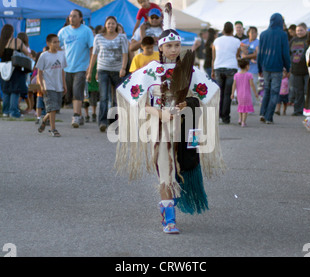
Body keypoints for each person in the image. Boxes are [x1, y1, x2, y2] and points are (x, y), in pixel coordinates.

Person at [114, 3, 223, 234]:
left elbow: (209, 93)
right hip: (158, 127)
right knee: (166, 168)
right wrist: (159, 112)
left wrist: (187, 103)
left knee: (179, 166)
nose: (174, 49)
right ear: (161, 48)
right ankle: (169, 216)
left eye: (177, 45)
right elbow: (136, 100)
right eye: (169, 46)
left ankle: (168, 206)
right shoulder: (150, 71)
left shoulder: (189, 70)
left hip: (183, 128)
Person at [87, 16, 128, 132]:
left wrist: (123, 68)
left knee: (117, 98)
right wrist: (90, 71)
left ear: (116, 25)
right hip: (102, 69)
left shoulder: (122, 37)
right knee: (104, 97)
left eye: (113, 24)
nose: (110, 26)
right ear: (105, 25)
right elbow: (94, 55)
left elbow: (125, 53)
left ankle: (114, 121)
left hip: (117, 70)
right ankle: (102, 122)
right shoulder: (98, 37)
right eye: (108, 24)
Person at [58, 9, 94, 128]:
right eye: (70, 16)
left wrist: (89, 67)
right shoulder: (63, 31)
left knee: (77, 92)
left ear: (80, 18)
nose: (71, 18)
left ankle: (76, 117)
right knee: (70, 94)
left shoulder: (86, 31)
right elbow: (57, 47)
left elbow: (92, 49)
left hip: (81, 67)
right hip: (67, 68)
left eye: (74, 16)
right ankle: (80, 115)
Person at [257, 13, 291, 124]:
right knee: (275, 92)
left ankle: (262, 113)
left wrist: (259, 68)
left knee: (266, 90)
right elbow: (285, 53)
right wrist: (288, 67)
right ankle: (268, 116)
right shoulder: (283, 35)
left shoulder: (263, 34)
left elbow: (260, 53)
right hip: (277, 67)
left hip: (265, 67)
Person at [0, 24, 31, 119]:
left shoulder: (0, 43)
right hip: (15, 68)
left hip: (3, 68)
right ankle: (14, 112)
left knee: (6, 91)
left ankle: (6, 111)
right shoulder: (16, 41)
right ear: (11, 32)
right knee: (15, 90)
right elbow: (27, 52)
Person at [36, 34, 67, 137]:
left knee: (55, 107)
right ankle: (53, 129)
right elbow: (39, 72)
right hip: (48, 85)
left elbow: (62, 70)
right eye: (54, 42)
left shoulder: (62, 54)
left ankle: (44, 120)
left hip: (58, 85)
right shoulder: (44, 55)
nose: (57, 44)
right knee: (52, 108)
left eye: (58, 42)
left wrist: (64, 84)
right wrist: (41, 85)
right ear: (48, 44)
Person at [212, 21, 241, 124]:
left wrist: (212, 70)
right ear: (232, 30)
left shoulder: (216, 41)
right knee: (228, 93)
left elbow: (213, 56)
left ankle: (218, 115)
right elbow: (237, 55)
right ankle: (225, 117)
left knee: (219, 93)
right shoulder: (237, 41)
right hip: (231, 68)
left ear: (223, 30)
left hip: (218, 67)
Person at [231, 59, 258, 127]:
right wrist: (255, 93)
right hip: (247, 95)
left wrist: (232, 93)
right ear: (246, 66)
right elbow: (252, 85)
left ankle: (240, 119)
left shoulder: (236, 75)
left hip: (239, 94)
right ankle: (243, 122)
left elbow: (234, 85)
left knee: (240, 107)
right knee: (245, 109)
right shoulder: (249, 75)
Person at [289, 23, 309, 116]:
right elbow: (288, 53)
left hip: (307, 70)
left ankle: (308, 110)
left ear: (306, 30)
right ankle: (297, 110)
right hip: (296, 70)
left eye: (301, 30)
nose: (299, 32)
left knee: (307, 91)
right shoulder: (293, 40)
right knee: (298, 91)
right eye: (297, 31)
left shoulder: (308, 40)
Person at [241, 26, 260, 106]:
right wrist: (249, 54)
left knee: (252, 87)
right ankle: (244, 104)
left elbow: (257, 54)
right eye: (251, 32)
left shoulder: (258, 42)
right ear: (248, 33)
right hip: (244, 68)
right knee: (244, 87)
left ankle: (251, 105)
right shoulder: (244, 41)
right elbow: (241, 50)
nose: (253, 34)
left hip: (254, 68)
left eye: (254, 32)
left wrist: (246, 56)